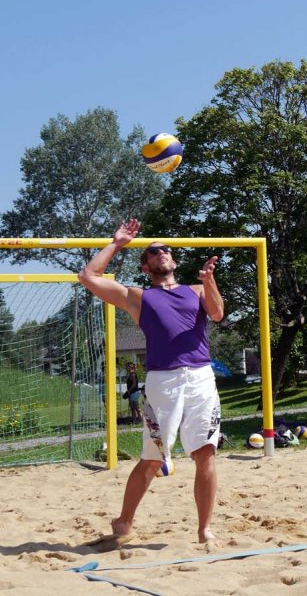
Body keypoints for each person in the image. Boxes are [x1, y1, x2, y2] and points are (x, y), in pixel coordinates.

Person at [78, 219, 224, 549]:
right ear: (146, 266)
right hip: (163, 381)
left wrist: (209, 279)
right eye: (154, 252)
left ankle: (205, 530)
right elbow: (88, 277)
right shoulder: (138, 297)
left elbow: (216, 313)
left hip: (201, 378)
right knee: (154, 457)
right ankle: (124, 521)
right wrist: (117, 243)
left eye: (166, 250)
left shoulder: (196, 290)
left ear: (173, 261)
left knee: (206, 455)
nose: (162, 253)